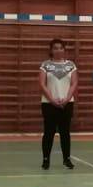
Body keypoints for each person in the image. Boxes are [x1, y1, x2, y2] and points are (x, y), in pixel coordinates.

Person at [39, 38, 77, 171]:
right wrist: (52, 100)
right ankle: (46, 159)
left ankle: (67, 159)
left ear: (64, 50)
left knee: (65, 132)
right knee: (48, 132)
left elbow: (74, 83)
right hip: (49, 104)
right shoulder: (45, 65)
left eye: (61, 48)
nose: (58, 50)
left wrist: (67, 99)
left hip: (67, 104)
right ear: (51, 50)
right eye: (55, 48)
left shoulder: (71, 65)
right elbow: (42, 84)